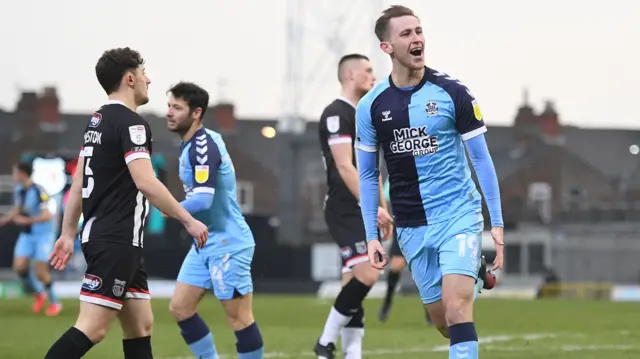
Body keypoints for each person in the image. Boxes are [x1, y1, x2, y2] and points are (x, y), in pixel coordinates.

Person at [355, 6, 505, 359]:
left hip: (458, 214)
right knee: (443, 322)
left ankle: (467, 266)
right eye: (405, 34)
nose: (417, 38)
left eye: (419, 31)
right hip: (410, 226)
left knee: (456, 308)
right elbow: (366, 173)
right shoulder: (371, 106)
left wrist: (495, 222)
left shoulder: (453, 93)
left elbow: (481, 159)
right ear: (387, 47)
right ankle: (474, 271)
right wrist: (371, 235)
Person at [45, 47, 209, 359]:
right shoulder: (132, 124)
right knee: (93, 327)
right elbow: (146, 181)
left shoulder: (97, 122)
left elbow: (78, 183)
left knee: (141, 326)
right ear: (130, 78)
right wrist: (188, 219)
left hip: (115, 239)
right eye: (144, 73)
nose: (150, 79)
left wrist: (67, 234)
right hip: (115, 239)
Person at [165, 82, 264, 359]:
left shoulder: (203, 146)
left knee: (240, 319)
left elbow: (203, 199)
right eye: (169, 106)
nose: (169, 113)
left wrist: (169, 207)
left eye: (177, 108)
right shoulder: (189, 145)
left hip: (229, 243)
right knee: (180, 308)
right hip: (205, 240)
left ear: (196, 113)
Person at [315, 54, 394, 359]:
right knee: (368, 273)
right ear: (349, 74)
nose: (373, 76)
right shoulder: (336, 113)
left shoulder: (365, 115)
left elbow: (372, 169)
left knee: (354, 282)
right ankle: (324, 343)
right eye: (368, 70)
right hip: (345, 208)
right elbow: (345, 166)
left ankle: (352, 353)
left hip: (365, 207)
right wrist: (370, 205)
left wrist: (382, 208)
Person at [378, 177, 493, 323]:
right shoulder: (397, 166)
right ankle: (387, 304)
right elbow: (387, 193)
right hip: (405, 224)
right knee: (397, 265)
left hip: (431, 223)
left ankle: (432, 310)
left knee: (432, 270)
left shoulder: (434, 167)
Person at [0, 161, 61, 316]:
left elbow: (48, 215)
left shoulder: (39, 191)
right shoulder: (20, 189)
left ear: (22, 173)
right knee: (19, 267)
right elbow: (19, 208)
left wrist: (26, 220)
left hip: (43, 235)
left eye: (15, 172)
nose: (13, 176)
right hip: (28, 234)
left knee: (41, 271)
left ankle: (55, 302)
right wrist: (6, 219)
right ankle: (39, 293)